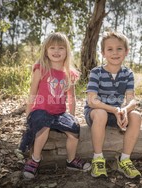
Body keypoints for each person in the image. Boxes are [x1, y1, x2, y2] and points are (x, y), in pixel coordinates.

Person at [19, 32, 91, 179]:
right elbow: (32, 93)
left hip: (59, 113)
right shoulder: (41, 69)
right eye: (52, 48)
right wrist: (28, 115)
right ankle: (35, 159)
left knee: (74, 130)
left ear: (67, 51)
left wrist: (72, 116)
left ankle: (71, 160)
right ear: (46, 50)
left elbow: (72, 97)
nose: (56, 51)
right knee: (43, 127)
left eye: (61, 48)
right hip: (41, 110)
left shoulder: (69, 74)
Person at [84, 31, 142, 179]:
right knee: (101, 113)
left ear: (126, 51)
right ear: (103, 53)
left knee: (135, 115)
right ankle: (98, 158)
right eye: (110, 49)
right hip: (96, 112)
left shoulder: (128, 74)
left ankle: (125, 160)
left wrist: (124, 109)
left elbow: (132, 100)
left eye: (119, 49)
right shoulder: (96, 72)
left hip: (116, 111)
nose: (115, 53)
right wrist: (115, 110)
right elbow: (92, 101)